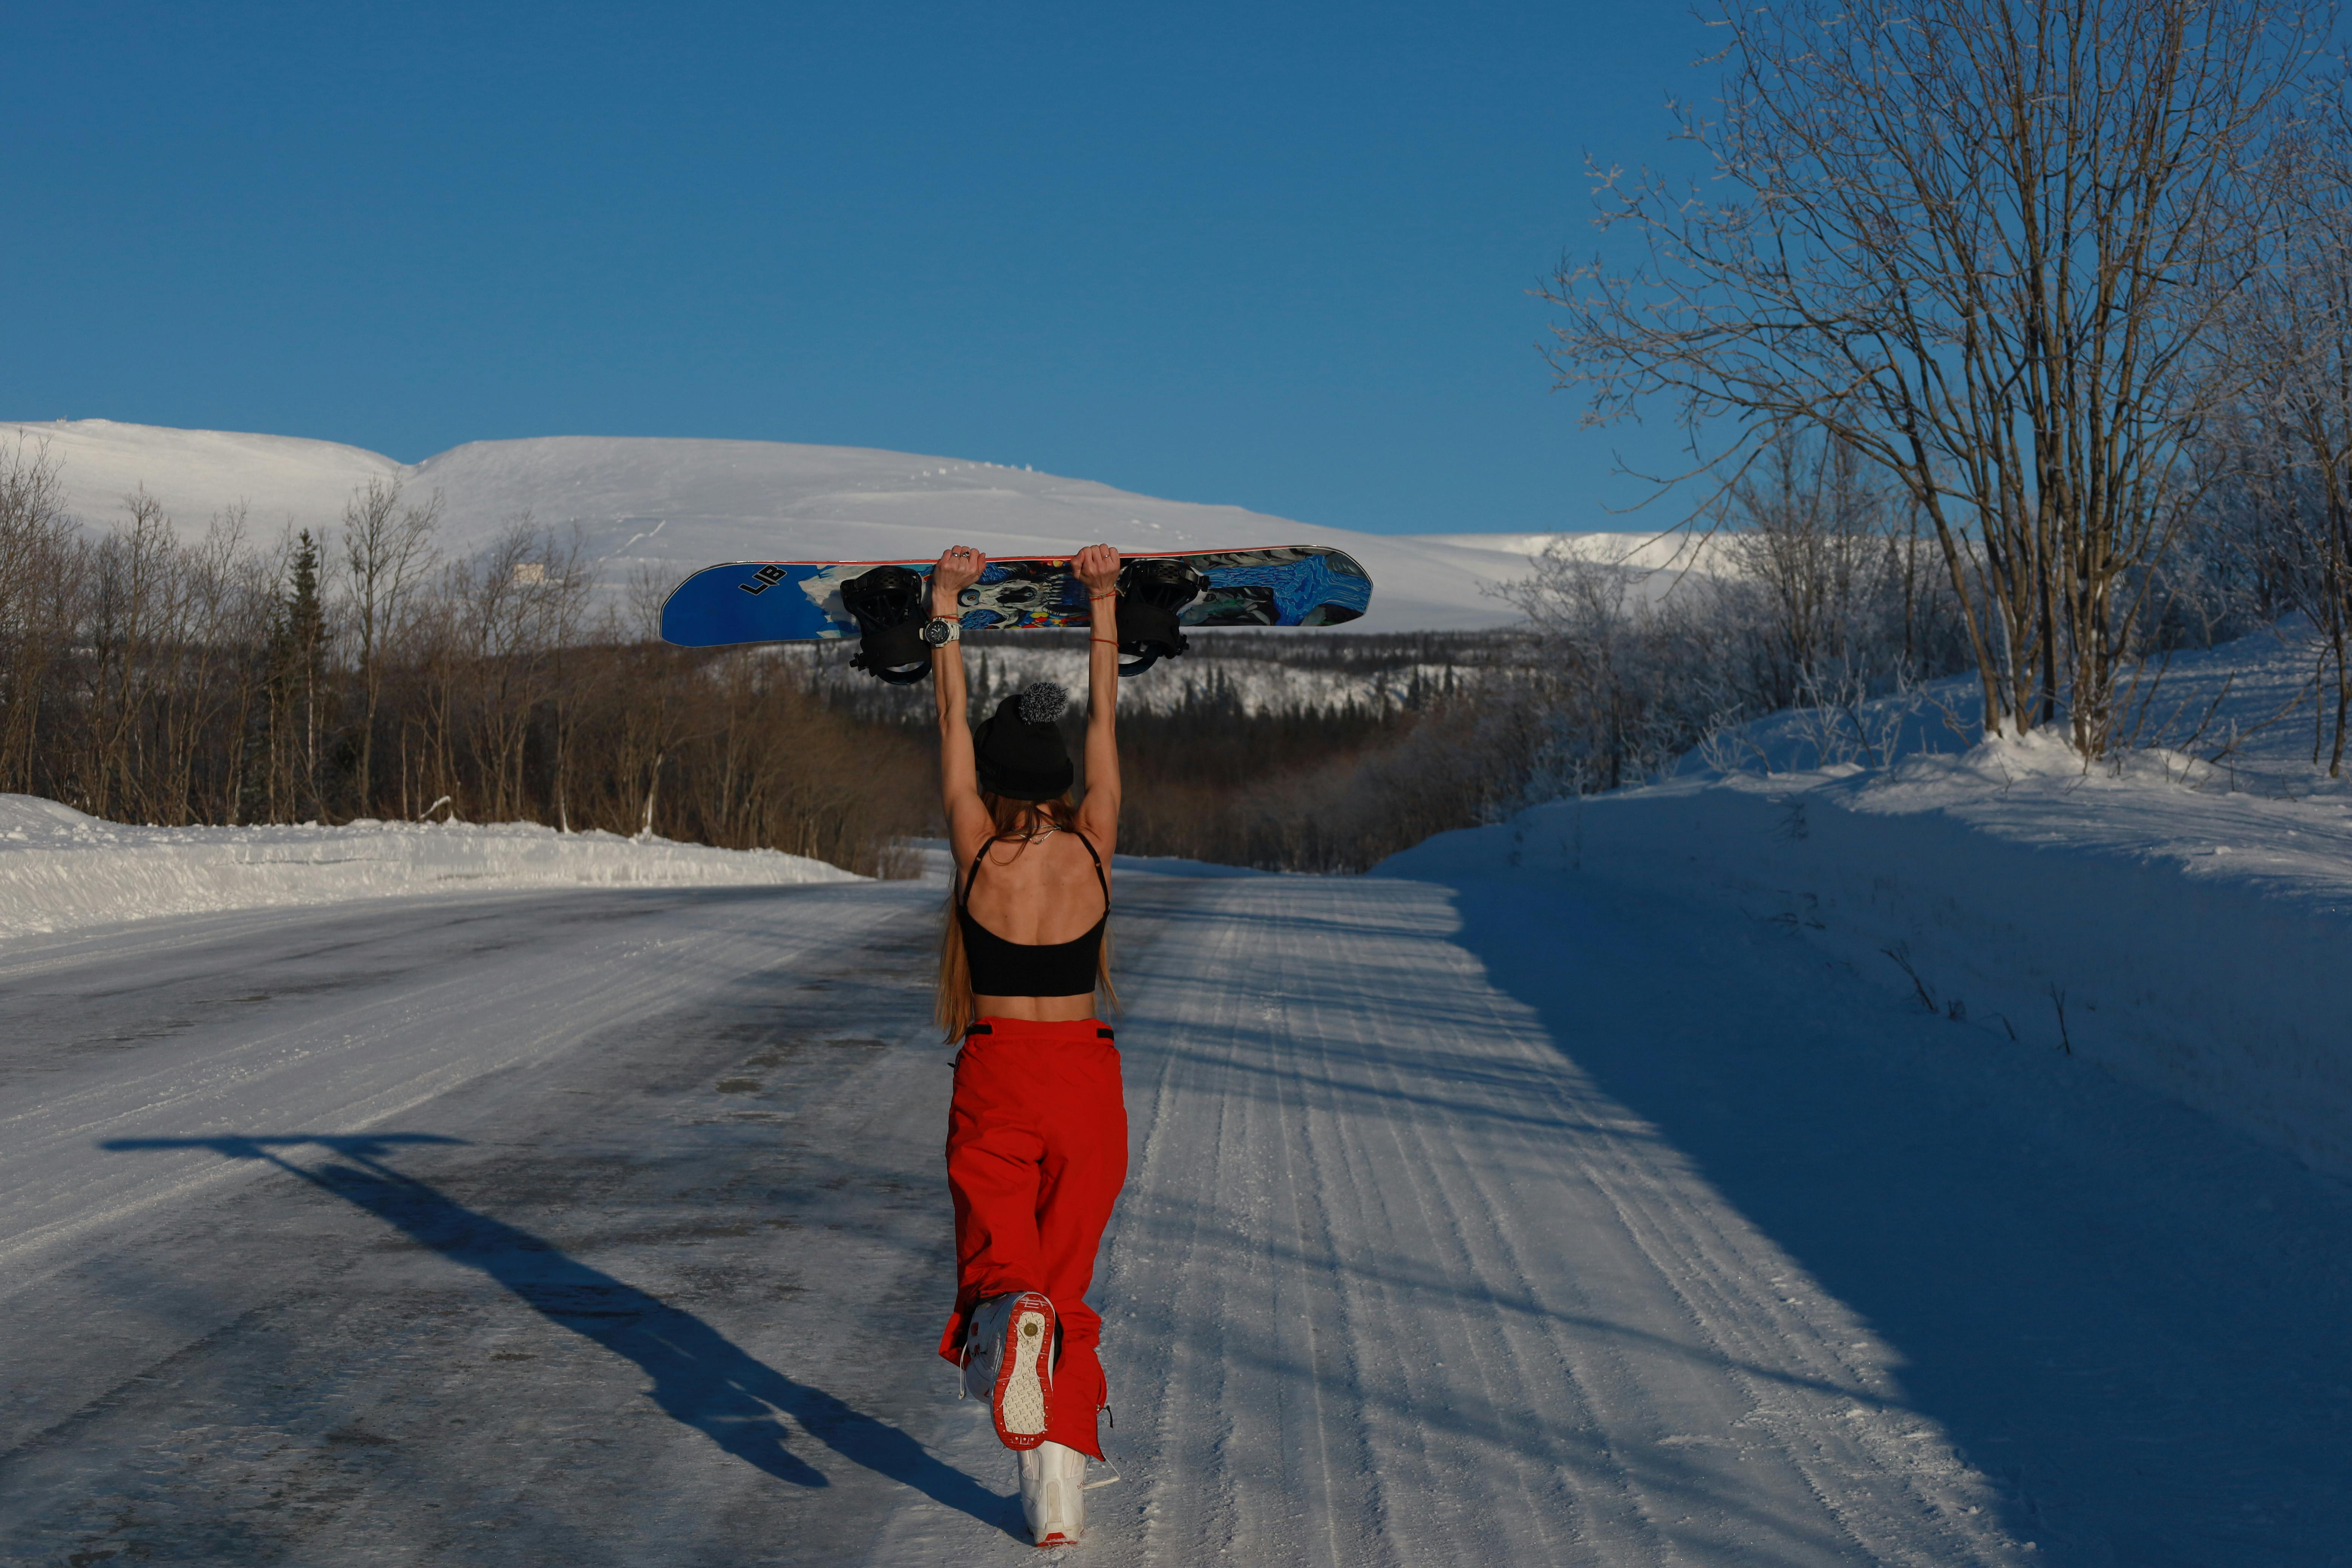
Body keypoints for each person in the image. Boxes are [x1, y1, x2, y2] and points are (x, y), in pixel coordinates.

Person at [926, 541, 1126, 1550]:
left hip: (1000, 1070)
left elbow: (949, 718)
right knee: (1068, 1285)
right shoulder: (1095, 842)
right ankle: (1058, 1499)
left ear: (996, 782)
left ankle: (1011, 1322)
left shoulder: (977, 848)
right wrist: (1103, 603)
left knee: (1002, 1271)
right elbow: (1105, 721)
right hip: (1086, 1079)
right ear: (1059, 780)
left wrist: (944, 606)